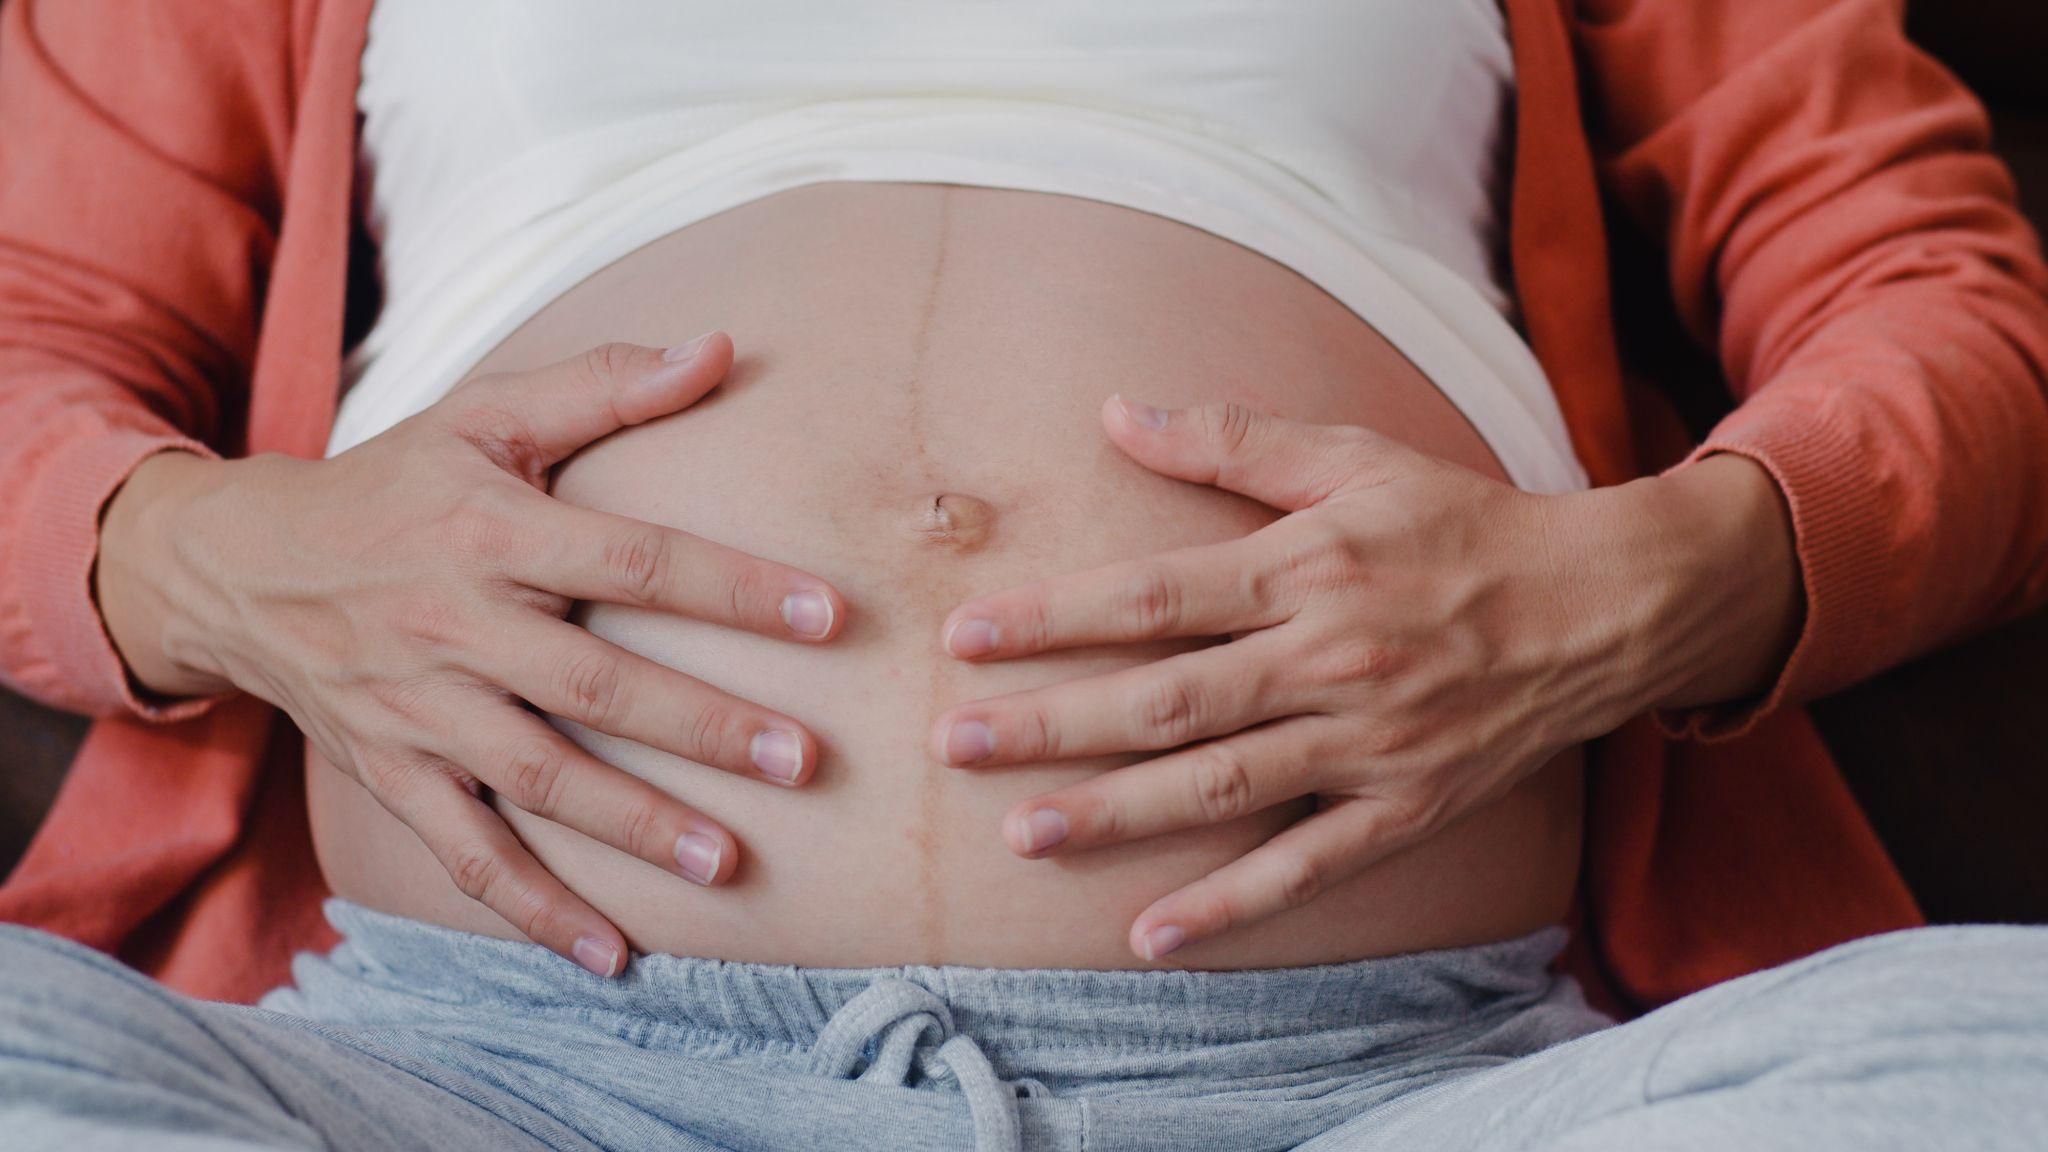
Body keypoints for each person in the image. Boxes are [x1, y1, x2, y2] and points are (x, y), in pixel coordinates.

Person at [2, 1, 2046, 1149]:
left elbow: (1947, 311)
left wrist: (1651, 584)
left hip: (1379, 1094)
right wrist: (213, 555)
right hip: (466, 1082)